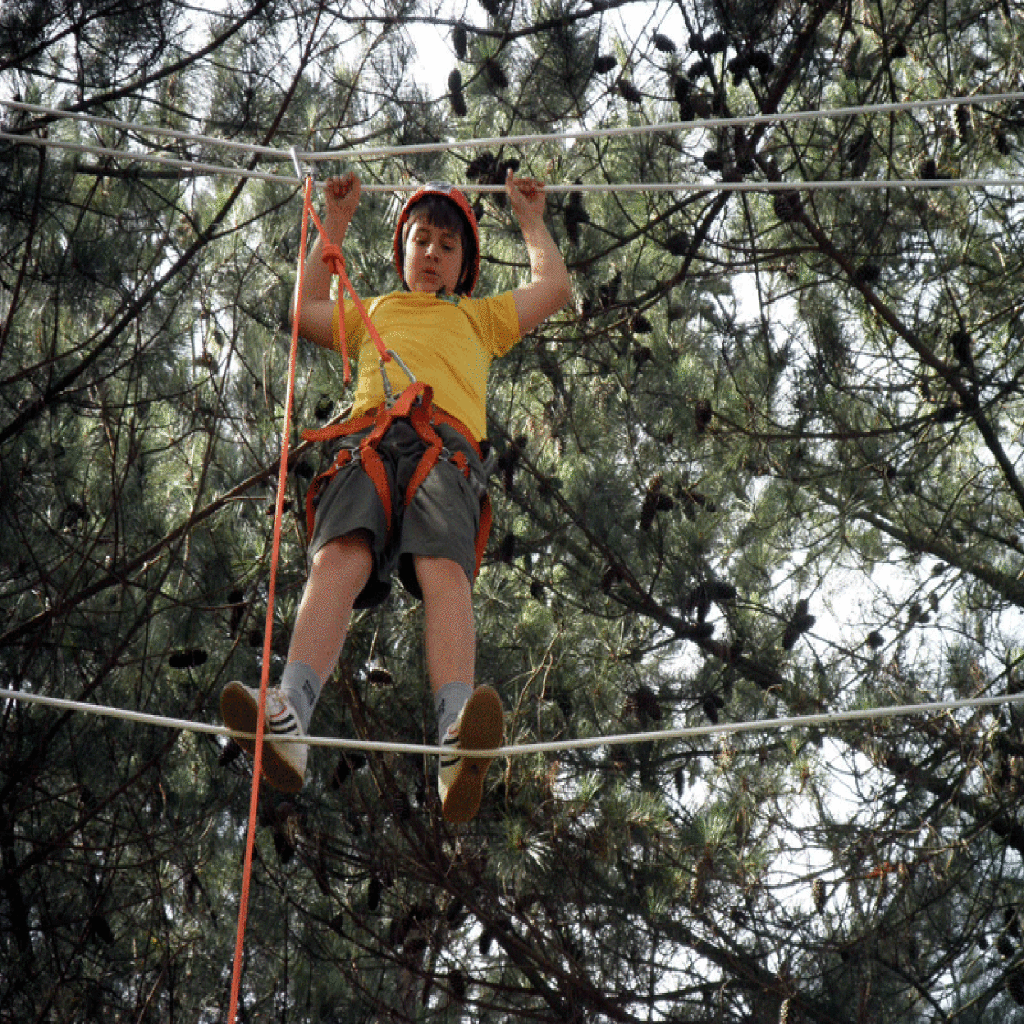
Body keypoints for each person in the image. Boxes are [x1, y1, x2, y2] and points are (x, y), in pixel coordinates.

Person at [221, 168, 572, 823]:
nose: (433, 253)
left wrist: (531, 221)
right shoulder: (373, 312)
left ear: (465, 266)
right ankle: (291, 712)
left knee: (443, 570)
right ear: (402, 252)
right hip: (374, 446)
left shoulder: (480, 316)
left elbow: (552, 288)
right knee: (339, 560)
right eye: (421, 241)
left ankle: (455, 738)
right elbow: (303, 311)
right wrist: (334, 223)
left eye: (448, 246)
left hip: (446, 448)